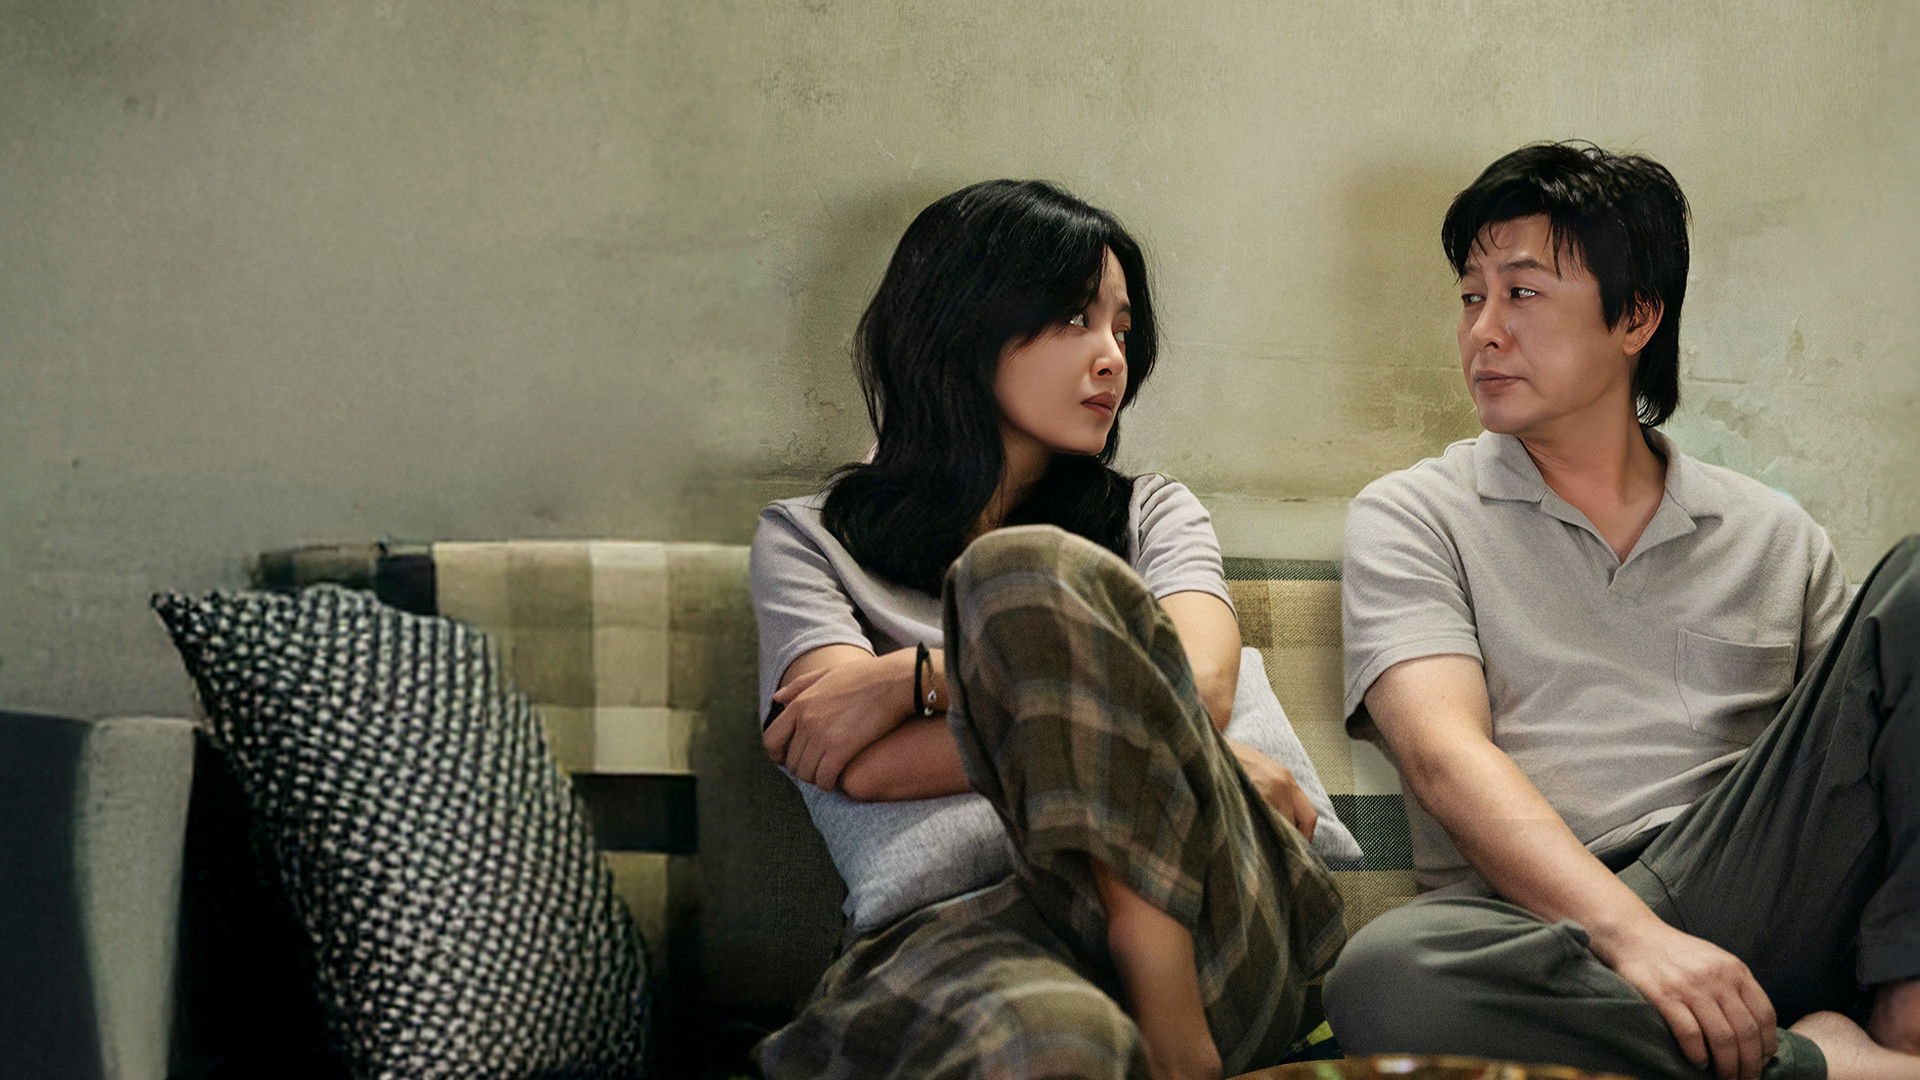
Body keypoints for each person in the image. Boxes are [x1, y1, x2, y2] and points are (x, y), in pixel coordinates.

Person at [1324, 141, 1919, 1080]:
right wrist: (1637, 939)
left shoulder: (1773, 534)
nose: (1483, 331)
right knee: (1386, 976)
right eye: (1471, 297)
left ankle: (1901, 1004)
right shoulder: (1413, 515)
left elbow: (1864, 770)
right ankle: (1817, 1061)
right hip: (1544, 930)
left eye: (1522, 293)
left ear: (1636, 316)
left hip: (1747, 883)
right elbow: (1442, 756)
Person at [748, 179, 1345, 1080]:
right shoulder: (807, 541)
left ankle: (1173, 1027)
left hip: (1217, 916)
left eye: (1122, 330)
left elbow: (1202, 687)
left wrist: (916, 678)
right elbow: (853, 762)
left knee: (1020, 572)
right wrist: (1192, 763)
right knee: (1054, 1044)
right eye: (1074, 319)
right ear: (959, 325)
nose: (1112, 358)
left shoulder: (1154, 514)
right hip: (971, 933)